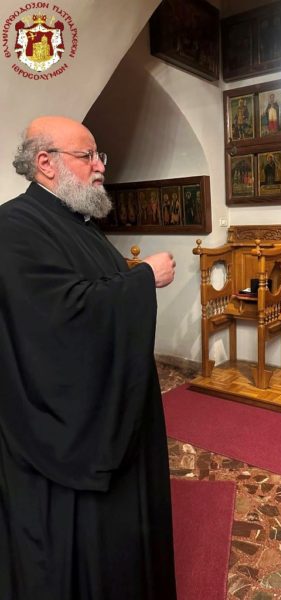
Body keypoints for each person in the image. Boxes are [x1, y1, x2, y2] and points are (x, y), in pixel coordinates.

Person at [0, 115, 178, 599]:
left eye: (100, 156)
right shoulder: (15, 227)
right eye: (88, 156)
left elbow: (96, 291)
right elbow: (59, 320)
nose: (100, 166)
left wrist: (131, 282)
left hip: (112, 411)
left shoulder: (75, 223)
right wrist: (143, 278)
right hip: (68, 434)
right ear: (46, 163)